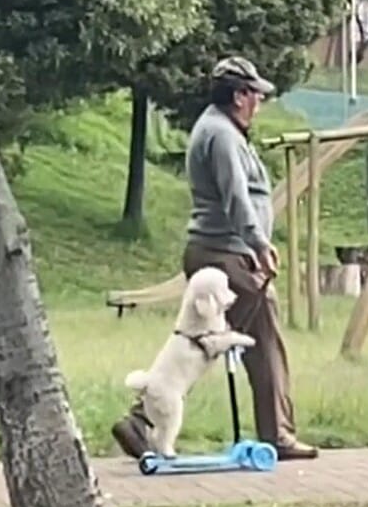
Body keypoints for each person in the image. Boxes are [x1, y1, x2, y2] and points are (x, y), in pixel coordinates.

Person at [111, 56, 318, 460]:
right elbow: (236, 196)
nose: (259, 103)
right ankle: (276, 435)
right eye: (256, 95)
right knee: (260, 343)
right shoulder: (222, 135)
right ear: (239, 96)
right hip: (228, 257)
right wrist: (258, 243)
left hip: (221, 254)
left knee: (204, 348)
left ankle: (141, 418)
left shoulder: (216, 128)